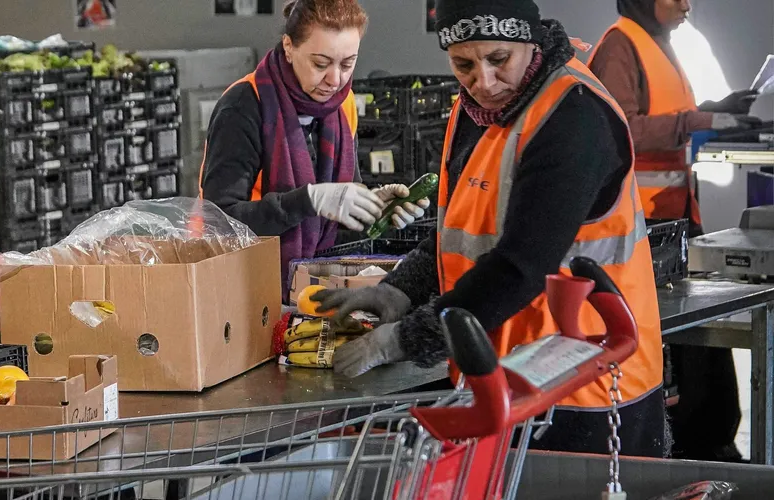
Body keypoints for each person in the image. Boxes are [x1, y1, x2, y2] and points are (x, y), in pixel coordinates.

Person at [312, 0, 669, 458]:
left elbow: (522, 265)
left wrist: (404, 339)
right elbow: (462, 229)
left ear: (531, 41)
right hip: (501, 386)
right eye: (463, 64)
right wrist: (397, 291)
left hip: (585, 389)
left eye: (499, 59)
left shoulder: (573, 117)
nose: (483, 81)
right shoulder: (476, 111)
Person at [589, 0, 760, 462]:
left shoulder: (659, 46)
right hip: (644, 226)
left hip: (674, 218)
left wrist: (713, 109)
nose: (686, 4)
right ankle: (693, 452)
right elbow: (621, 127)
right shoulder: (620, 48)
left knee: (701, 354)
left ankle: (714, 446)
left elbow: (668, 115)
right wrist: (701, 121)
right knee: (682, 353)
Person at [198, 0, 431, 288]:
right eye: (320, 64)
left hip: (315, 280)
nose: (334, 80)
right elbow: (220, 224)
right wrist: (309, 200)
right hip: (247, 284)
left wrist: (372, 209)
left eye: (347, 64)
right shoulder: (244, 106)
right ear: (289, 46)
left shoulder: (343, 105)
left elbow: (335, 216)